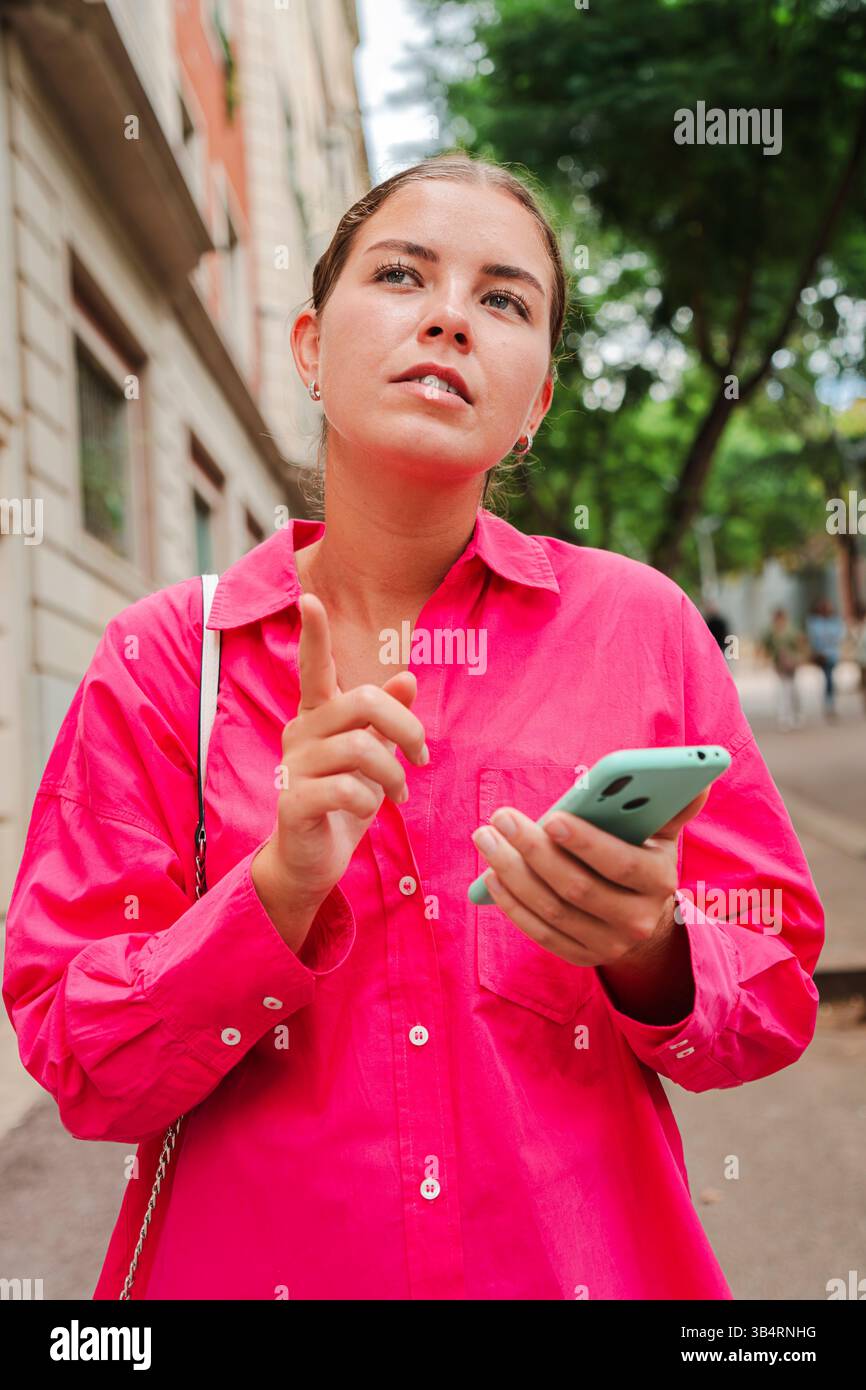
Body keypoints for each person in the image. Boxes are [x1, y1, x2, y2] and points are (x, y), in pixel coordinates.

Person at [3, 153, 824, 1302]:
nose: (448, 318)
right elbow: (82, 1064)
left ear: (534, 404)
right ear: (307, 347)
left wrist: (652, 948)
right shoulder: (164, 660)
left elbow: (773, 984)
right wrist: (275, 891)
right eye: (400, 275)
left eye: (503, 300)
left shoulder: (640, 627)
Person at [761, 607, 807, 730]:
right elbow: (766, 647)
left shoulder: (791, 630)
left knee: (793, 690)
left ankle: (797, 714)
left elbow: (800, 644)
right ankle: (784, 717)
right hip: (779, 665)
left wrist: (799, 659)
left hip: (792, 664)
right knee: (784, 690)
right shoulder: (771, 632)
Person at [805, 596, 845, 720]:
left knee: (829, 678)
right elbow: (813, 639)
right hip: (821, 656)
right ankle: (829, 703)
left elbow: (839, 637)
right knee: (828, 678)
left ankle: (830, 702)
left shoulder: (835, 621)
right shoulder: (814, 622)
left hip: (832, 655)